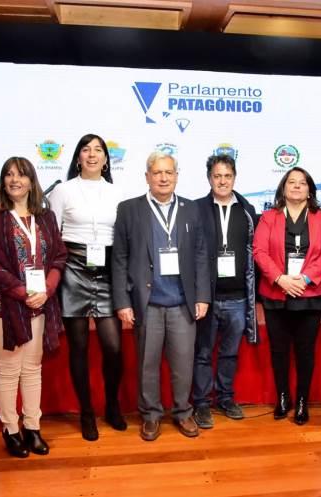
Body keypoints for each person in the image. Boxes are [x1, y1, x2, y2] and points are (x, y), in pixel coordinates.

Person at [112, 151, 210, 441]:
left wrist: (202, 295)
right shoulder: (129, 210)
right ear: (147, 177)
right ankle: (151, 415)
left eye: (169, 172)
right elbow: (119, 258)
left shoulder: (192, 209)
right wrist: (122, 302)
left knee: (183, 364)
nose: (163, 178)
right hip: (147, 304)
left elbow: (202, 255)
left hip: (183, 302)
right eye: (157, 173)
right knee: (147, 365)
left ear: (177, 176)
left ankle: (183, 412)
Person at [0, 157, 68, 458]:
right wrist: (21, 291)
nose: (15, 180)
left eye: (21, 175)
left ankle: (33, 426)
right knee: (9, 368)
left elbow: (58, 257)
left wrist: (48, 288)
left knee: (32, 369)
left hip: (40, 302)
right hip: (3, 305)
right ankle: (10, 429)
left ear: (32, 181)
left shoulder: (46, 218)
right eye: (9, 175)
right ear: (3, 182)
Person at [48, 134, 127, 440]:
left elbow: (123, 236)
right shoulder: (63, 191)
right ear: (78, 157)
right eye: (86, 150)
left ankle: (112, 404)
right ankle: (86, 412)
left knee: (113, 347)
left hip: (107, 270)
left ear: (107, 159)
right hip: (73, 269)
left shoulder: (117, 192)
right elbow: (53, 236)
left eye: (98, 150)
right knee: (79, 346)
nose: (92, 155)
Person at [253, 167, 321, 425]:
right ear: (283, 188)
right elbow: (259, 252)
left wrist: (305, 279)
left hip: (311, 294)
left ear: (310, 189)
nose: (297, 186)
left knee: (305, 350)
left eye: (302, 183)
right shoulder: (268, 217)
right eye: (291, 182)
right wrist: (281, 279)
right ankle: (283, 397)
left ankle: (301, 401)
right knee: (279, 350)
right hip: (276, 294)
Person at [192, 154, 259, 429]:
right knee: (203, 353)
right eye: (217, 176)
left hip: (238, 298)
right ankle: (201, 403)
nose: (222, 181)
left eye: (227, 176)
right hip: (207, 298)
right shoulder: (195, 209)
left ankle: (226, 398)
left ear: (234, 178)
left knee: (230, 353)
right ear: (209, 178)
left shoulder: (247, 211)